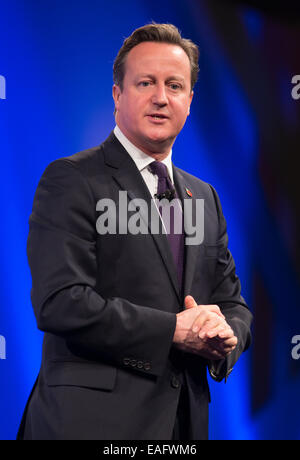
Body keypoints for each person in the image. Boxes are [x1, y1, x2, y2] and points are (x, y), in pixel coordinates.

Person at [17, 23, 252, 440]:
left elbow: (232, 303)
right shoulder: (72, 180)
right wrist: (174, 330)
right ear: (117, 94)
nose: (161, 97)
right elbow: (60, 302)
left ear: (190, 100)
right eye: (146, 82)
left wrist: (223, 336)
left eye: (174, 85)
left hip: (183, 426)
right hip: (88, 424)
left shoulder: (205, 197)